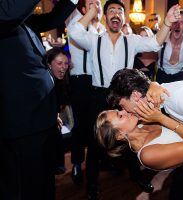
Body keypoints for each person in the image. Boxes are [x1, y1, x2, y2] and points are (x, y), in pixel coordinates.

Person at [68, 0, 182, 197]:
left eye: (119, 11)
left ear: (123, 18)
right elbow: (74, 32)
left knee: (132, 135)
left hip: (124, 96)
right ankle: (92, 187)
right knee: (95, 142)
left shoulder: (132, 40)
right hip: (98, 95)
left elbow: (156, 42)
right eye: (111, 10)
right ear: (105, 17)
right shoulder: (94, 39)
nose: (115, 14)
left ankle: (136, 175)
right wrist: (92, 11)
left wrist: (167, 23)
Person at [0, 0, 78, 199]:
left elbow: (52, 18)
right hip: (22, 122)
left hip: (42, 117)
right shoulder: (6, 16)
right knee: (27, 183)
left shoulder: (22, 21)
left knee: (45, 178)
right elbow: (9, 13)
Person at [65, 0, 106, 189]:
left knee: (96, 126)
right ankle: (75, 164)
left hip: (97, 84)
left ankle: (96, 164)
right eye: (92, 3)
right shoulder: (76, 23)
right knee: (80, 127)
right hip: (80, 81)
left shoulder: (103, 31)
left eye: (98, 2)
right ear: (83, 9)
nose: (96, 5)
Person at [156, 9, 183, 83]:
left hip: (180, 77)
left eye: (182, 22)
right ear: (171, 24)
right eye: (175, 22)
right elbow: (148, 41)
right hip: (162, 76)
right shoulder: (161, 37)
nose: (178, 26)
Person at [47, 47, 71, 175]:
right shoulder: (44, 83)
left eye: (66, 63)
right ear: (49, 64)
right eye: (59, 63)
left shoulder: (62, 81)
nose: (64, 67)